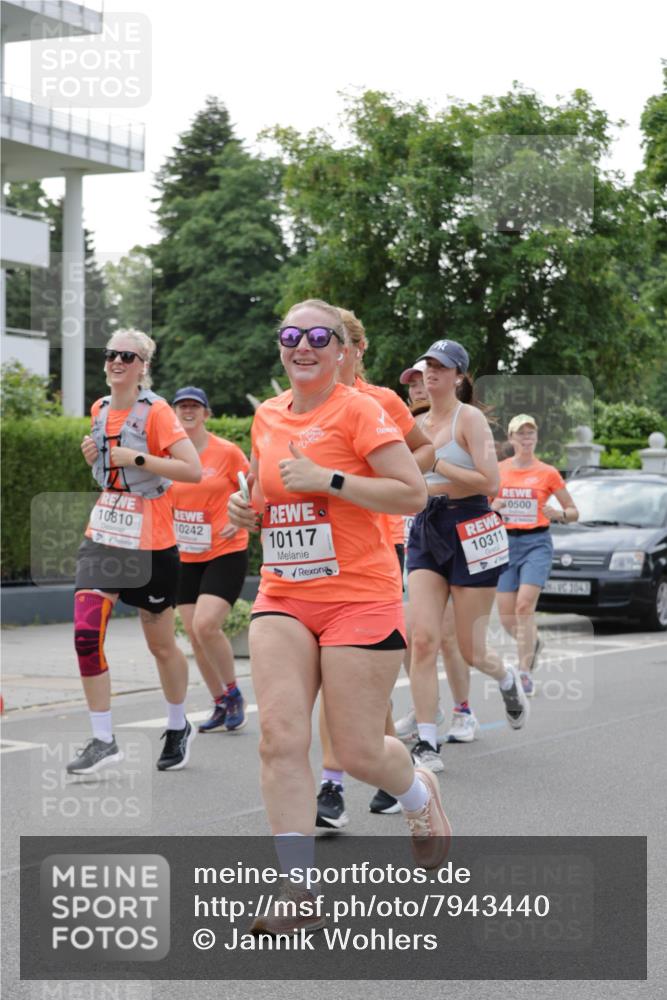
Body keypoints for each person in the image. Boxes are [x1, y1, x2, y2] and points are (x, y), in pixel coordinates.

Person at [227, 299, 450, 934]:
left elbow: (410, 490)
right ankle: (297, 889)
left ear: (339, 349)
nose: (303, 345)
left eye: (317, 336)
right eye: (290, 335)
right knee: (280, 738)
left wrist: (330, 479)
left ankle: (417, 791)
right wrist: (247, 511)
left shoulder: (361, 409)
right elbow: (262, 490)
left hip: (360, 594)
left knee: (353, 751)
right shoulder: (268, 416)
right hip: (284, 594)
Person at [315, 309, 435, 826]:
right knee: (336, 677)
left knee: (360, 682)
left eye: (340, 343)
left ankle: (355, 776)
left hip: (376, 544)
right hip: (316, 550)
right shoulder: (300, 404)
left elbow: (423, 450)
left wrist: (387, 479)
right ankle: (338, 783)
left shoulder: (380, 401)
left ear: (356, 350)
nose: (331, 352)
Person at [67, 330, 202, 775]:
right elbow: (109, 476)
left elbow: (192, 470)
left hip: (152, 541)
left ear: (144, 365)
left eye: (128, 355)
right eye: (111, 354)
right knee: (86, 634)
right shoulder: (99, 409)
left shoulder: (158, 412)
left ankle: (178, 724)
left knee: (161, 645)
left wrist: (137, 458)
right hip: (105, 533)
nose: (117, 361)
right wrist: (96, 459)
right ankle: (103, 739)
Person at [406, 339, 529, 774]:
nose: (430, 374)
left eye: (440, 367)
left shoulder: (468, 417)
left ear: (459, 375)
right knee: (422, 639)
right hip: (427, 528)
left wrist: (438, 463)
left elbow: (489, 482)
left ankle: (507, 678)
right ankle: (425, 741)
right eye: (426, 368)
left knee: (471, 648)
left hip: (470, 527)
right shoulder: (414, 421)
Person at [394, 361, 481, 746]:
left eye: (422, 380)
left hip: (446, 539)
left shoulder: (453, 424)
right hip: (403, 540)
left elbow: (480, 485)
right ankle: (426, 705)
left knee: (442, 637)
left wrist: (434, 485)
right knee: (406, 635)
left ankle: (463, 708)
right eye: (411, 383)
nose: (417, 388)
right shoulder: (396, 430)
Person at [170, 386, 250, 732]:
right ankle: (219, 702)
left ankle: (233, 693)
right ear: (174, 413)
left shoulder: (227, 452)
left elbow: (253, 486)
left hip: (225, 550)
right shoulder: (167, 455)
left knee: (206, 625)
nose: (188, 411)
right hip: (185, 553)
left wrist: (237, 517)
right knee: (193, 631)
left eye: (194, 407)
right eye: (182, 406)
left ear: (206, 413)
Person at [492, 414, 579, 695]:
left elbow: (574, 511)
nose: (526, 439)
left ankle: (525, 671)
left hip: (536, 543)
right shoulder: (499, 469)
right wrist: (494, 505)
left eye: (531, 434)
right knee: (507, 617)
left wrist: (560, 514)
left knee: (524, 607)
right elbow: (485, 502)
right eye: (521, 434)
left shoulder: (548, 472)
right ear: (511, 439)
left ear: (536, 438)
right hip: (505, 543)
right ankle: (533, 643)